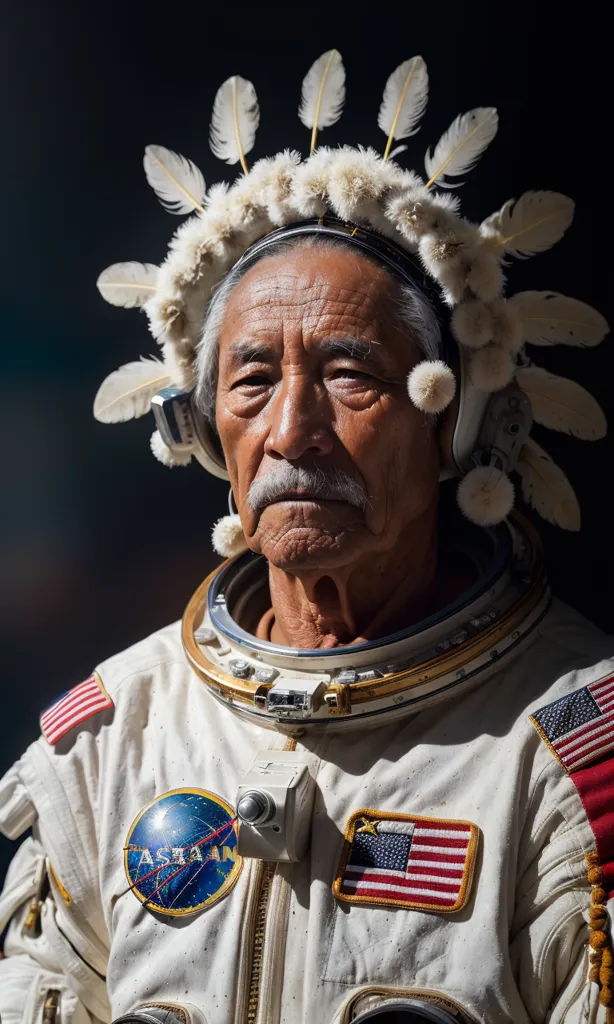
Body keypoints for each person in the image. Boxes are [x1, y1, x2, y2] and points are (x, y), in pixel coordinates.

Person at [1, 50, 613, 1024]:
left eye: (349, 375)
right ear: (203, 429)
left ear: (452, 425)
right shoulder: (115, 739)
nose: (291, 430)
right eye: (250, 383)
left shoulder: (576, 752)